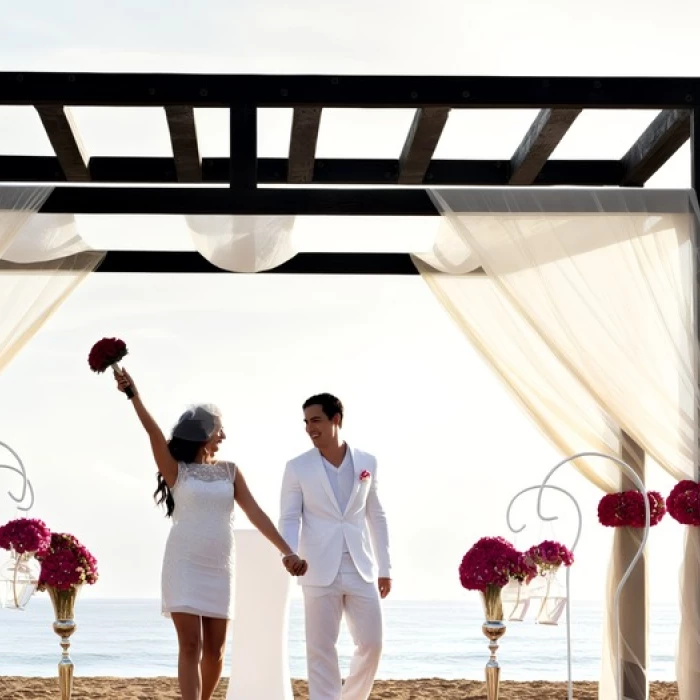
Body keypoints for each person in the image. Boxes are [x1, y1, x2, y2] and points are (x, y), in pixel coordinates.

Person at [114, 368, 307, 700]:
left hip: (219, 568)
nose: (224, 436)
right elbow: (153, 431)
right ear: (204, 431)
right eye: (219, 429)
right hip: (184, 565)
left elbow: (256, 513)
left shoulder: (230, 472)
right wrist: (133, 394)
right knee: (190, 645)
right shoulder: (176, 470)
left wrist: (286, 551)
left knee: (215, 651)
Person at [279, 393, 391, 700]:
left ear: (336, 420)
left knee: (372, 644)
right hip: (316, 567)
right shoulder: (297, 467)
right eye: (306, 422)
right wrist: (288, 553)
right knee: (320, 650)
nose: (309, 428)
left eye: (316, 420)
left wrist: (385, 569)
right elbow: (289, 517)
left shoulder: (367, 462)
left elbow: (376, 516)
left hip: (361, 567)